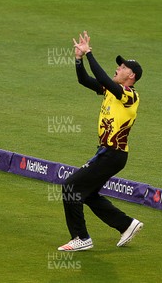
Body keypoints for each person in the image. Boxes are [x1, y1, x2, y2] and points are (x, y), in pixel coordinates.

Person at [58, 31, 143, 251]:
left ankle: (81, 237)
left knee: (70, 187)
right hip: (106, 153)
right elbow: (84, 80)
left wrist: (89, 54)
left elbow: (105, 79)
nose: (118, 68)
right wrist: (78, 59)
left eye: (123, 67)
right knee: (88, 194)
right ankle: (126, 225)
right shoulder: (111, 91)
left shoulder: (129, 96)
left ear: (131, 76)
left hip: (113, 154)